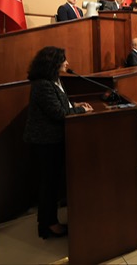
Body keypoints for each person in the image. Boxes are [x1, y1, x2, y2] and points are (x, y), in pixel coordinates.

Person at [23, 47, 93, 239]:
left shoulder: (54, 80)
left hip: (54, 139)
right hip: (45, 142)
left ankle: (49, 220)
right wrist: (81, 111)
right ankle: (48, 224)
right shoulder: (42, 84)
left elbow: (61, 104)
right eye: (64, 60)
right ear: (53, 63)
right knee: (49, 183)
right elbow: (58, 113)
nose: (67, 63)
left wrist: (74, 105)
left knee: (52, 182)